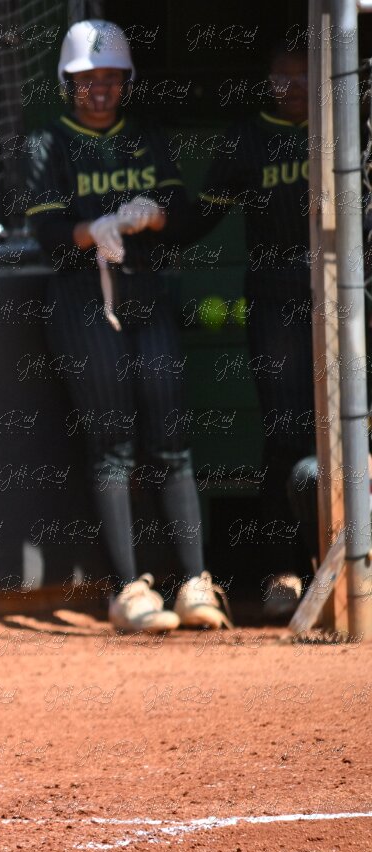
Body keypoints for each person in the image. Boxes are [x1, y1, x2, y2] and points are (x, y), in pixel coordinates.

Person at [23, 19, 232, 632]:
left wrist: (154, 217)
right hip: (82, 298)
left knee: (172, 441)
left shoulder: (144, 136)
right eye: (88, 79)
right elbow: (47, 233)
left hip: (147, 290)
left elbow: (184, 220)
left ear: (126, 81)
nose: (100, 90)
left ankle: (194, 583)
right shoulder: (46, 143)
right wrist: (95, 230)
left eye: (112, 79)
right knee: (112, 444)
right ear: (68, 82)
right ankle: (127, 591)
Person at [183, 41, 314, 618]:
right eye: (282, 78)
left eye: (304, 77)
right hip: (277, 299)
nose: (292, 88)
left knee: (352, 432)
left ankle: (349, 561)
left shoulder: (352, 126)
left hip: (348, 297)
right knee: (286, 436)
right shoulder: (248, 138)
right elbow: (198, 217)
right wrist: (144, 220)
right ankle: (284, 572)